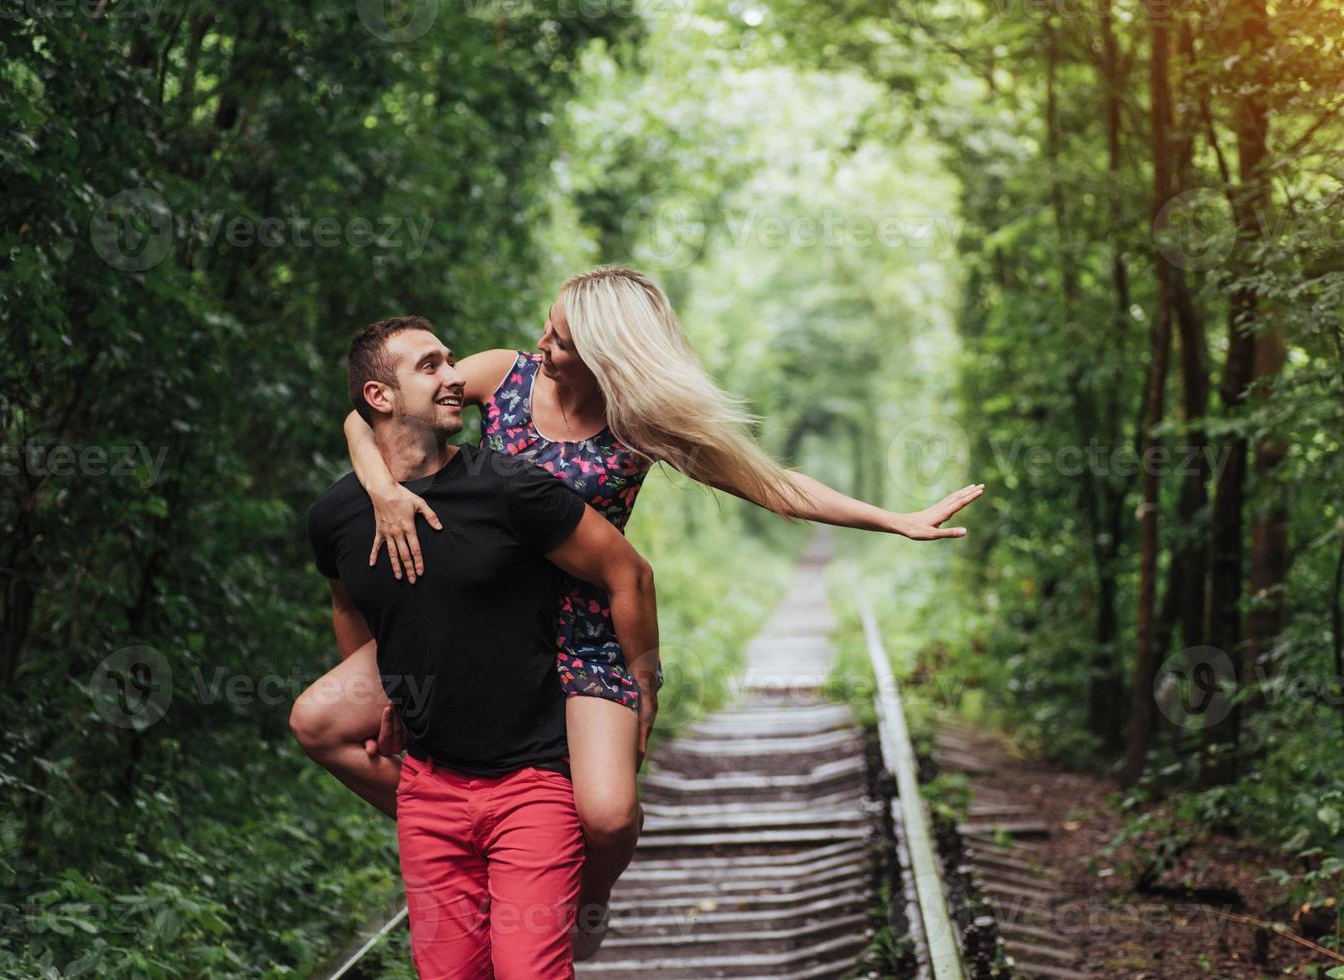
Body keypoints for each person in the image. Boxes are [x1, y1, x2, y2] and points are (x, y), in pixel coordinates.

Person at [290, 266, 984, 958]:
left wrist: (895, 519)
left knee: (610, 813)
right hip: (472, 606)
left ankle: (579, 899)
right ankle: (475, 839)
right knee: (321, 721)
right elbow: (374, 409)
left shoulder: (639, 422)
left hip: (583, 623)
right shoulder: (503, 376)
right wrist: (381, 489)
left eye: (558, 338)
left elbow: (776, 487)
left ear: (601, 352)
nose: (540, 343)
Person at [300, 316, 658, 977]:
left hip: (533, 782)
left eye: (451, 363)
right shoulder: (335, 518)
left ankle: (580, 884)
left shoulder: (512, 488)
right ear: (380, 398)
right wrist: (397, 683)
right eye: (430, 367)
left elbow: (627, 573)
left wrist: (643, 684)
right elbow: (351, 604)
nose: (456, 378)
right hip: (431, 795)